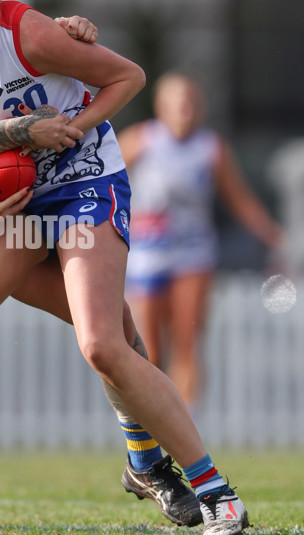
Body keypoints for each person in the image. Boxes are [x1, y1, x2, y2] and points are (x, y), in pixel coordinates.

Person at [0, 0, 250, 535]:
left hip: (83, 187)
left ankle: (218, 495)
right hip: (9, 207)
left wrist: (74, 126)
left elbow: (130, 76)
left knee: (102, 343)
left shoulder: (27, 30)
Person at [117, 71, 284, 409]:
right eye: (179, 104)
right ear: (161, 107)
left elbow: (239, 199)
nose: (186, 111)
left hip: (193, 253)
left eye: (192, 103)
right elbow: (107, 183)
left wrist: (273, 235)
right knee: (147, 348)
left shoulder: (211, 148)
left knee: (187, 342)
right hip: (147, 254)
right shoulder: (141, 140)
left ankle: (189, 424)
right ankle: (151, 431)